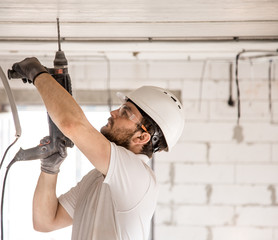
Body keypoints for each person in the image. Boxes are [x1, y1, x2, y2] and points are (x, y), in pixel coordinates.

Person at [11, 57, 185, 240]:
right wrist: (49, 169)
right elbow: (46, 221)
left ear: (142, 137)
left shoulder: (138, 177)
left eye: (126, 112)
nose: (113, 113)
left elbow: (72, 124)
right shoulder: (96, 178)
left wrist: (37, 74)